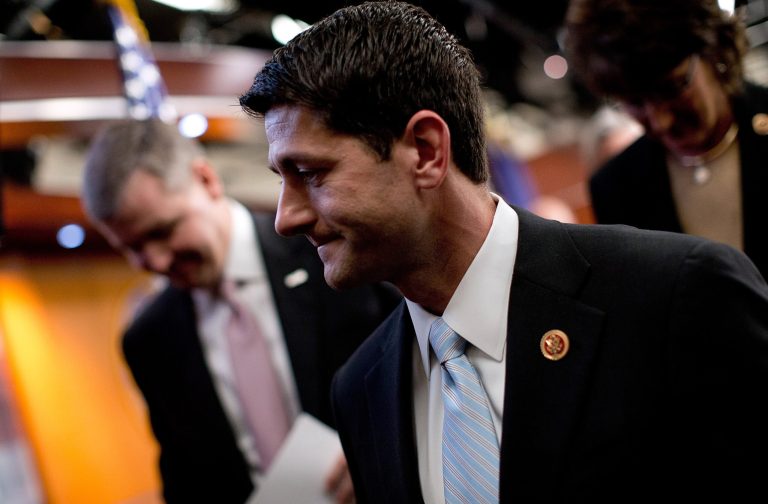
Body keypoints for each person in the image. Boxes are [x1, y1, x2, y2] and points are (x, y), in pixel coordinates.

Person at [240, 1, 768, 502]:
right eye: (281, 180)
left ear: (425, 151)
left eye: (310, 174)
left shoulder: (676, 296)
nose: (286, 218)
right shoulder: (361, 390)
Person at [80, 119, 400, 504]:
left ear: (206, 180)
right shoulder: (150, 340)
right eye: (132, 248)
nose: (157, 260)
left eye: (162, 231)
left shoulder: (328, 255)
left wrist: (380, 448)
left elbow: (417, 370)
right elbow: (185, 481)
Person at [565, 0, 768, 278]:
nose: (661, 121)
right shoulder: (617, 187)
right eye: (635, 102)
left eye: (671, 87)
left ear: (714, 49)